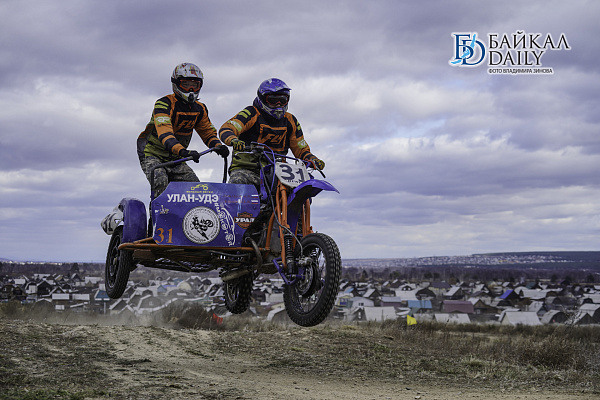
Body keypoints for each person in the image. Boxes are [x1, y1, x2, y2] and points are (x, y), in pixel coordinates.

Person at [219, 78, 325, 240]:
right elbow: (228, 128)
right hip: (249, 168)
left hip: (278, 171)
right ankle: (231, 232)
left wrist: (312, 159)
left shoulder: (290, 120)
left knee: (302, 191)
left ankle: (299, 235)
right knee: (237, 185)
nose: (278, 105)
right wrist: (233, 140)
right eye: (273, 100)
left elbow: (300, 148)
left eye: (282, 100)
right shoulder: (251, 113)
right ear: (263, 99)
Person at [137, 62, 229, 197]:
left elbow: (207, 132)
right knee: (160, 181)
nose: (191, 89)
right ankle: (157, 210)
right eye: (186, 85)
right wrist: (184, 151)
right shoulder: (163, 104)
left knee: (196, 189)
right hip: (153, 155)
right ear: (176, 84)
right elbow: (165, 133)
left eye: (195, 85)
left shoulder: (200, 108)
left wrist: (218, 146)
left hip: (177, 158)